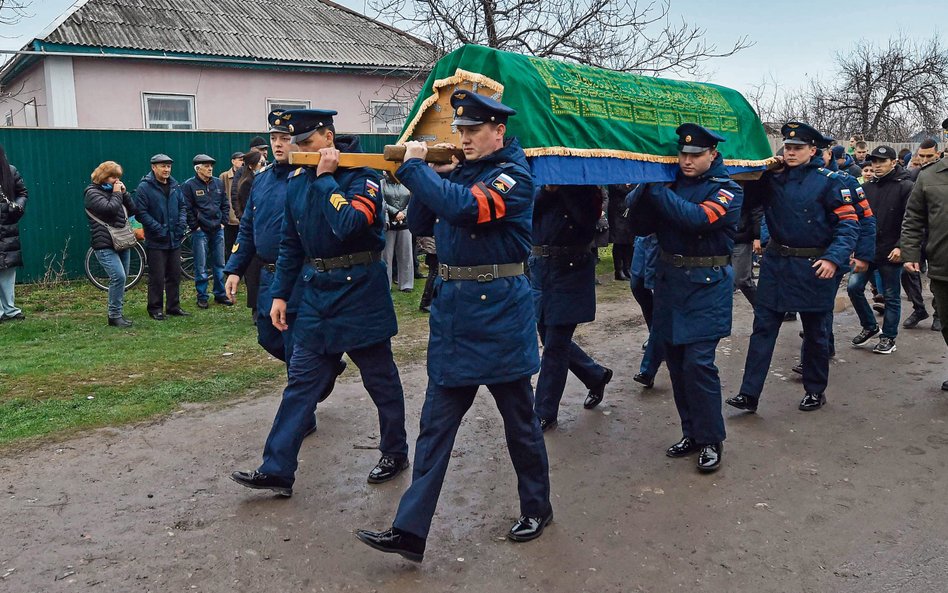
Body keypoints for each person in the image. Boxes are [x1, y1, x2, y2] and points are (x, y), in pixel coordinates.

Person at [357, 92, 552, 563]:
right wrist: (425, 174)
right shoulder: (461, 173)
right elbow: (422, 218)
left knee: (520, 424)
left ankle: (537, 507)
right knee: (435, 427)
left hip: (500, 312)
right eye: (460, 130)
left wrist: (418, 170)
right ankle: (410, 530)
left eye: (474, 130)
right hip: (455, 314)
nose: (463, 138)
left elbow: (466, 209)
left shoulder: (515, 177)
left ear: (498, 131)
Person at [230, 108, 409, 497]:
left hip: (360, 290)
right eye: (295, 145)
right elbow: (292, 243)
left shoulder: (362, 176)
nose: (299, 151)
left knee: (380, 379)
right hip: (317, 293)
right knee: (300, 382)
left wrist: (327, 179)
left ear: (327, 137)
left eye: (306, 143)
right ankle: (277, 468)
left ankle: (394, 451)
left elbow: (350, 226)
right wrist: (279, 293)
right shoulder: (296, 179)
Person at [624, 124, 742, 473]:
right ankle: (690, 431)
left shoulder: (727, 190)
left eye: (695, 155)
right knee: (676, 365)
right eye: (683, 154)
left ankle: (711, 439)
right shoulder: (667, 185)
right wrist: (644, 186)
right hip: (671, 284)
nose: (687, 160)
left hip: (707, 285)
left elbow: (696, 219)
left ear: (712, 155)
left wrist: (658, 189)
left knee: (698, 365)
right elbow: (639, 226)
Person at [727, 122, 858, 414]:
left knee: (815, 333)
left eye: (798, 148)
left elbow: (849, 224)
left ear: (813, 150)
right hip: (777, 265)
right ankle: (749, 393)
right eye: (787, 147)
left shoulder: (830, 181)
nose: (791, 152)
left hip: (814, 266)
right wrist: (761, 172)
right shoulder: (773, 178)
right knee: (762, 330)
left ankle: (815, 390)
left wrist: (833, 258)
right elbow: (745, 199)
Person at [225, 110, 345, 427]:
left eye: (285, 139)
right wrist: (234, 268)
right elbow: (248, 228)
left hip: (300, 276)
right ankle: (327, 363)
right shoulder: (262, 182)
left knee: (295, 348)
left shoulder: (308, 178)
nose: (278, 145)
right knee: (268, 336)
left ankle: (302, 416)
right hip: (267, 275)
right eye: (274, 139)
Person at [530, 184, 613, 431]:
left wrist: (564, 191)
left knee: (555, 344)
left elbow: (588, 221)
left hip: (571, 269)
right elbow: (526, 210)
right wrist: (547, 191)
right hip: (541, 268)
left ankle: (544, 412)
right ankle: (595, 375)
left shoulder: (588, 187)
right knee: (547, 335)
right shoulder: (537, 182)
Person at [847, 145, 913, 354]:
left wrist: (901, 246)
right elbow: (859, 220)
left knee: (891, 295)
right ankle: (870, 326)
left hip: (891, 250)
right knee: (854, 288)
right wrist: (855, 247)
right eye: (874, 162)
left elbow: (911, 220)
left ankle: (889, 337)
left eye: (881, 162)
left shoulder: (905, 186)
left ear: (893, 162)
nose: (876, 166)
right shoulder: (867, 188)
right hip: (867, 250)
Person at [901, 120, 948, 390]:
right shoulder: (929, 176)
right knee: (947, 322)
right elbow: (913, 217)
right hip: (942, 263)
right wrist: (909, 251)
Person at [84, 161, 139, 327]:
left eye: (118, 177)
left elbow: (133, 209)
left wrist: (125, 193)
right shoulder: (91, 193)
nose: (116, 180)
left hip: (122, 241)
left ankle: (118, 314)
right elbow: (109, 210)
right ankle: (114, 315)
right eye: (112, 176)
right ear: (102, 177)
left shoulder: (116, 191)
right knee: (118, 277)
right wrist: (117, 194)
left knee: (122, 280)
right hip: (104, 243)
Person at [135, 154, 188, 321]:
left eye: (168, 166)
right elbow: (141, 213)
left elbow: (182, 207)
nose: (166, 170)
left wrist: (180, 225)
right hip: (156, 240)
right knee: (157, 277)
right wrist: (158, 229)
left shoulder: (175, 185)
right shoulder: (144, 187)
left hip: (175, 238)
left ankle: (173, 306)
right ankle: (155, 308)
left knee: (174, 275)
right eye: (163, 166)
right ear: (153, 167)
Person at [181, 154, 231, 309]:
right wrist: (195, 226)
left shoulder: (218, 183)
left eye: (211, 166)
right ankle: (202, 296)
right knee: (201, 265)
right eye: (206, 166)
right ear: (198, 168)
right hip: (200, 231)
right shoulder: (189, 185)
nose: (210, 168)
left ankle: (220, 294)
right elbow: (187, 208)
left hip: (218, 229)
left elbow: (225, 203)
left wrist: (223, 222)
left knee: (219, 263)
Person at [902, 139, 941, 329]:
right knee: (909, 273)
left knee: (937, 278)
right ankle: (919, 308)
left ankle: (938, 313)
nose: (925, 160)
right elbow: (912, 213)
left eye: (929, 156)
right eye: (921, 156)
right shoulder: (916, 175)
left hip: (936, 236)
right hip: (918, 235)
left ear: (938, 154)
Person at [630, 233, 663, 388]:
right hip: (644, 239)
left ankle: (648, 369)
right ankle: (657, 339)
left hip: (662, 242)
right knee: (637, 286)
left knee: (661, 303)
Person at [233, 149, 264, 318]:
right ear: (252, 166)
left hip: (258, 230)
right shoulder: (247, 183)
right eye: (261, 163)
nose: (264, 167)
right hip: (253, 232)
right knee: (253, 275)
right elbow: (248, 209)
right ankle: (255, 310)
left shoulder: (257, 180)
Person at [0, 143, 28, 322]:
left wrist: (18, 206)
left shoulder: (10, 171)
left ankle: (10, 309)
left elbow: (22, 193)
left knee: (8, 270)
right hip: (8, 226)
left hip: (7, 227)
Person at [380, 170, 414, 291]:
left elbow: (413, 200)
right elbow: (381, 201)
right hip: (388, 223)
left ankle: (406, 284)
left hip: (405, 223)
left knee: (406, 254)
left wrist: (404, 213)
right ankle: (386, 283)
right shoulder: (382, 183)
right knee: (386, 256)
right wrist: (395, 212)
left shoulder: (407, 183)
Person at [732, 193, 762, 306]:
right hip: (722, 237)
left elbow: (756, 211)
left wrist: (757, 236)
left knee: (742, 279)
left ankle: (761, 308)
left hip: (741, 237)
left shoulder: (749, 184)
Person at [607, 184, 635, 280]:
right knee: (619, 241)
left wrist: (630, 186)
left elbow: (636, 188)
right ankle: (618, 270)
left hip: (629, 210)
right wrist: (627, 187)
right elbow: (617, 188)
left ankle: (627, 268)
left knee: (630, 241)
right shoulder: (614, 175)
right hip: (617, 210)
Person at [220, 152, 243, 259]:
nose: (242, 162)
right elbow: (220, 196)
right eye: (240, 159)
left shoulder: (246, 174)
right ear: (233, 161)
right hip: (229, 219)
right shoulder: (224, 176)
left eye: (243, 159)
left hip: (242, 218)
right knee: (229, 247)